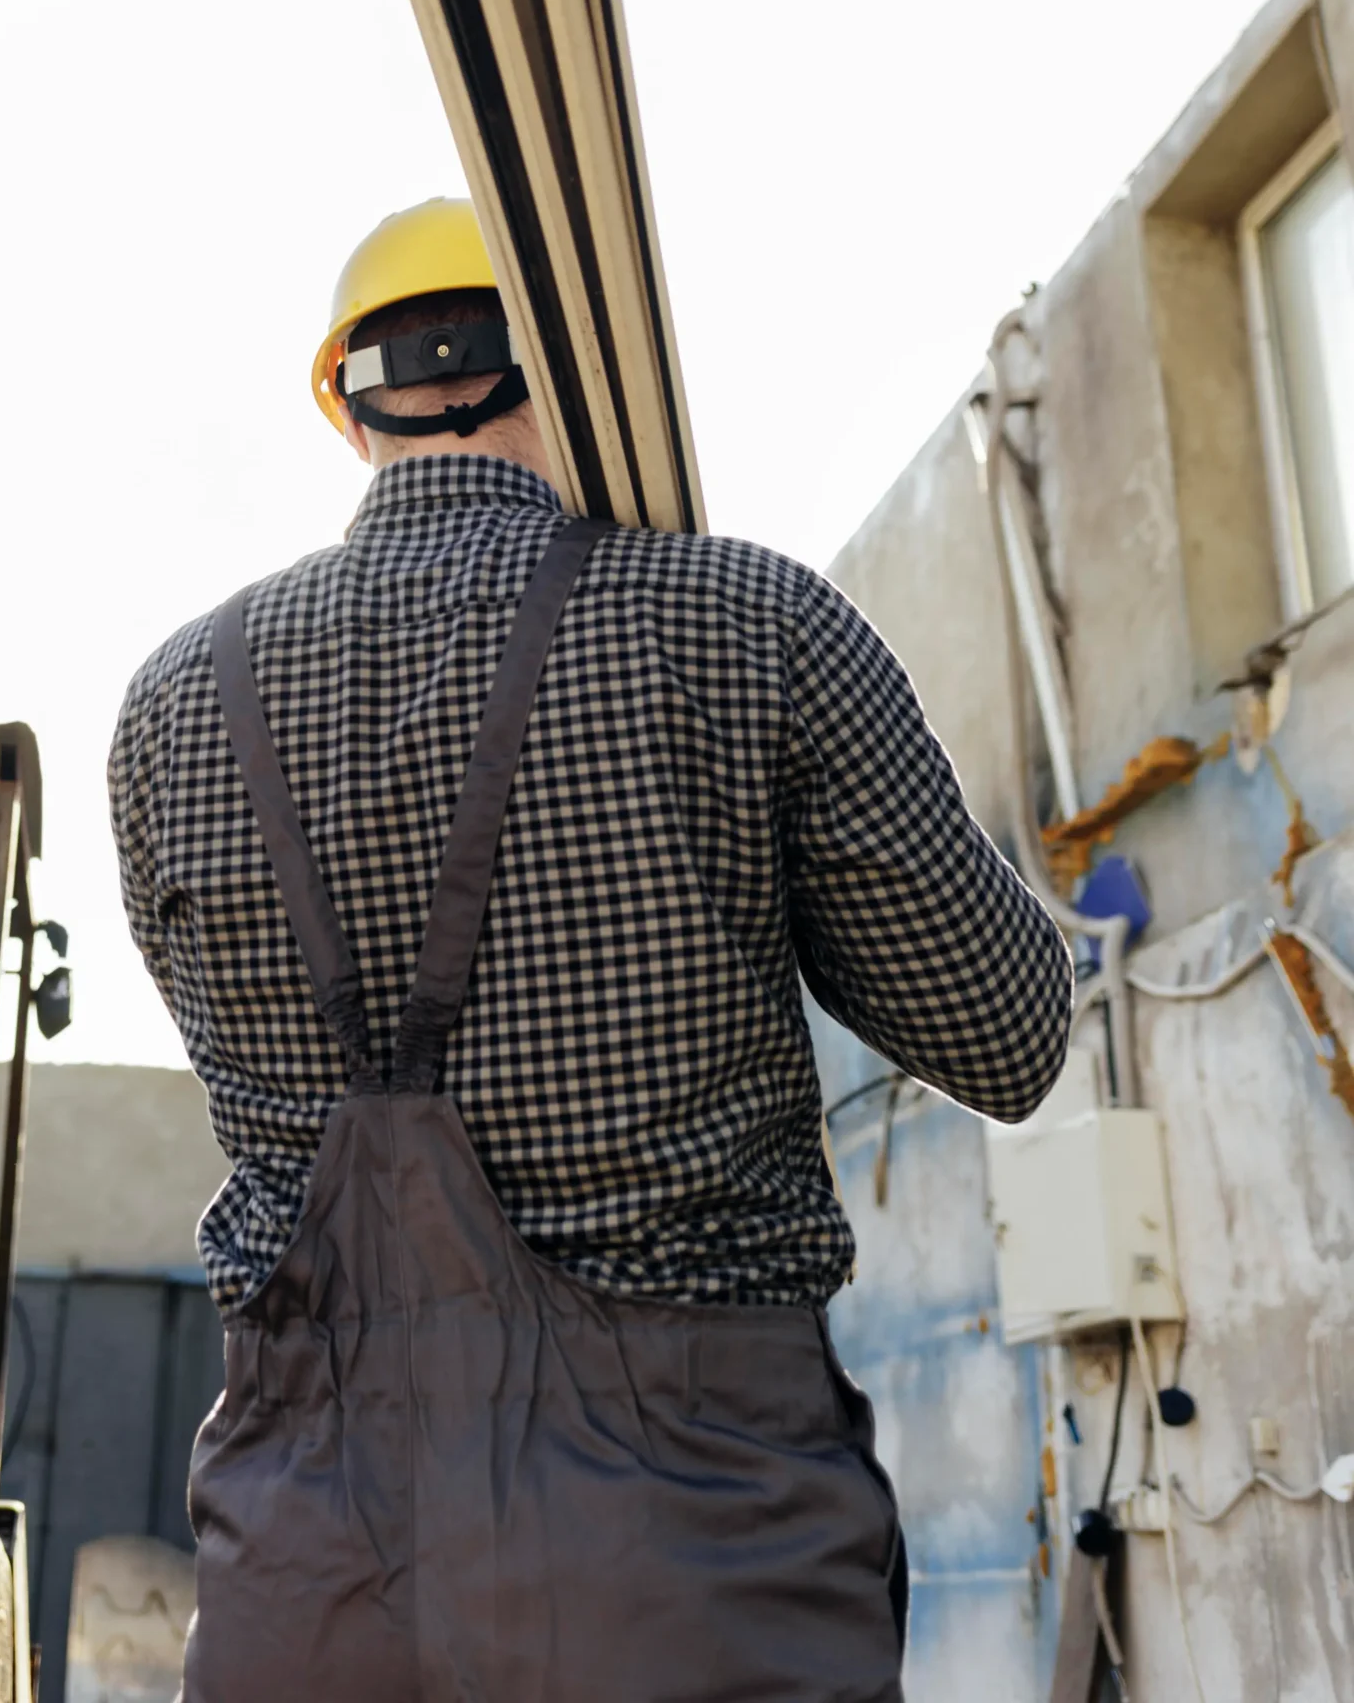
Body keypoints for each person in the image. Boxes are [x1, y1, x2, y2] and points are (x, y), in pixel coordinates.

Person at [108, 196, 1072, 1703]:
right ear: (575, 368)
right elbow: (1009, 1041)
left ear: (350, 408)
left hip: (310, 1574)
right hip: (694, 1554)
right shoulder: (751, 622)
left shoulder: (174, 706)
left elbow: (227, 1050)